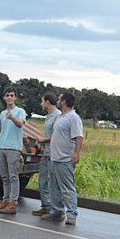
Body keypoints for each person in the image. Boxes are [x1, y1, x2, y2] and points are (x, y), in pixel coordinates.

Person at [42, 91, 84, 225]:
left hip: (65, 159)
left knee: (67, 187)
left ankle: (71, 215)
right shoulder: (61, 117)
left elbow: (79, 137)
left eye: (60, 99)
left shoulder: (73, 117)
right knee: (54, 187)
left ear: (64, 101)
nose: (58, 101)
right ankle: (57, 211)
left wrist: (76, 153)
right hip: (55, 158)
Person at [0, 86, 27, 215]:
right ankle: (5, 200)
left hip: (14, 148)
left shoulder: (20, 111)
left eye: (12, 95)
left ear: (15, 97)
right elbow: (0, 131)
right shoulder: (2, 113)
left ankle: (13, 203)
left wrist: (12, 117)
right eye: (7, 95)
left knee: (13, 176)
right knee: (4, 177)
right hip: (2, 147)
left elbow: (20, 124)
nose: (10, 98)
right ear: (4, 98)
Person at [32, 92, 60, 217]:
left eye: (43, 101)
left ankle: (55, 209)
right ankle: (46, 206)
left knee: (52, 182)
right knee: (42, 180)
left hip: (54, 154)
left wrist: (44, 139)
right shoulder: (49, 116)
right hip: (46, 152)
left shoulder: (58, 116)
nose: (42, 103)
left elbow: (57, 135)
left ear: (47, 102)